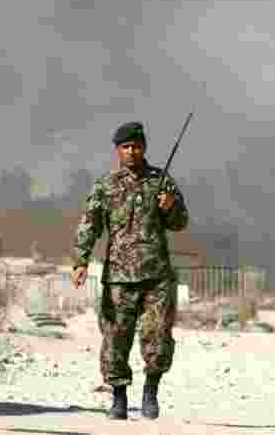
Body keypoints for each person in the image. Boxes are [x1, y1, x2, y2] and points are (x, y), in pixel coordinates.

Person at [71, 121, 190, 420]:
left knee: (158, 336)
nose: (132, 152)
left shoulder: (161, 181)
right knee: (115, 338)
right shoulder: (106, 185)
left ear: (144, 147)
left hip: (156, 277)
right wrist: (80, 260)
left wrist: (170, 206)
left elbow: (180, 222)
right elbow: (90, 224)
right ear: (117, 151)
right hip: (119, 278)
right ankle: (119, 397)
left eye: (136, 146)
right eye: (126, 147)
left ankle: (151, 392)